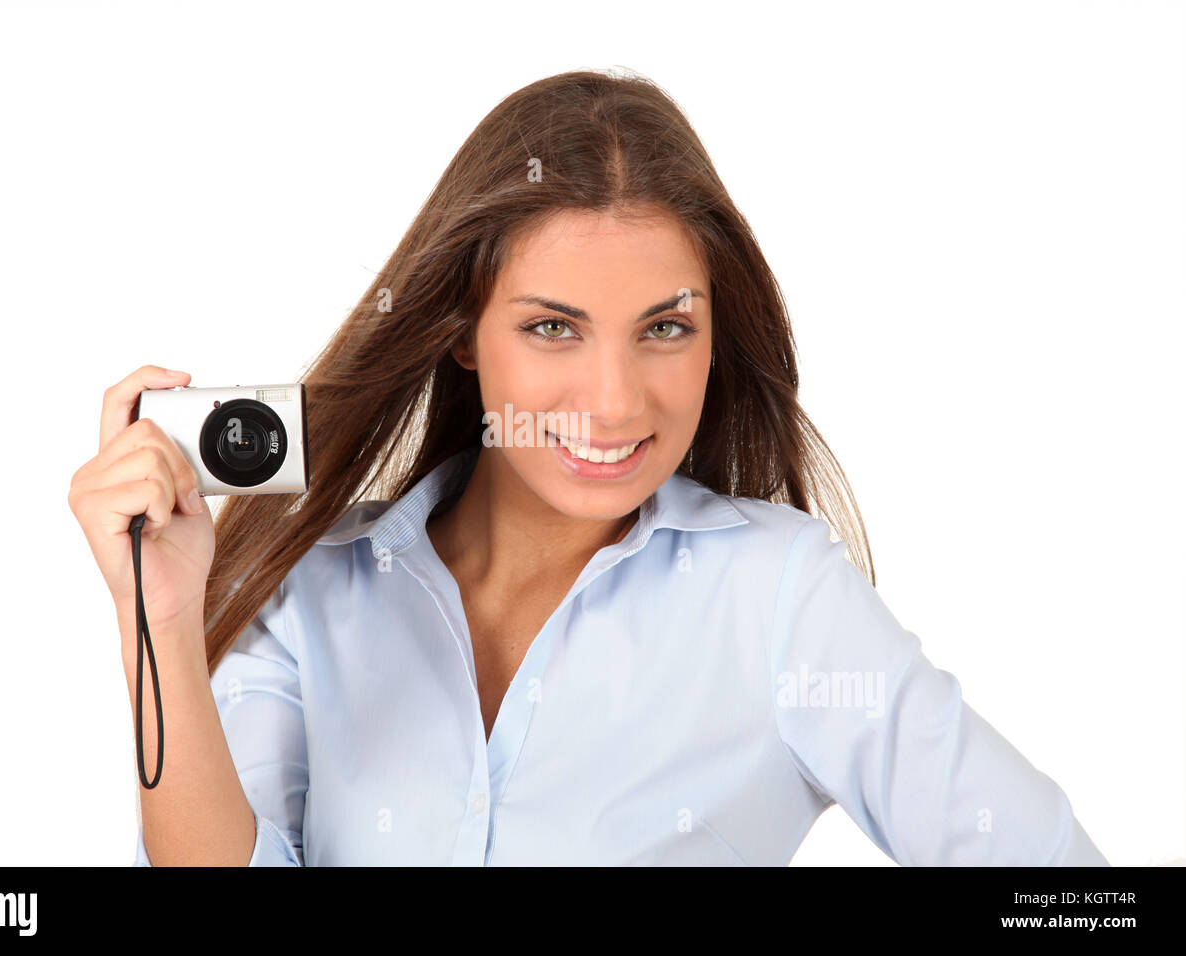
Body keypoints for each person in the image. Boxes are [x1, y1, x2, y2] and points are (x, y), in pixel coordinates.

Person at [68, 69, 1108, 866]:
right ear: (464, 332)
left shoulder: (778, 599)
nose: (614, 401)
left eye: (663, 327)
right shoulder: (318, 586)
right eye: (554, 327)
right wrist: (156, 619)